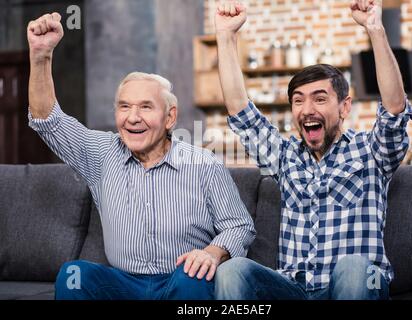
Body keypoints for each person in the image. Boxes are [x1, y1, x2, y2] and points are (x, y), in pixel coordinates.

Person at [26, 12, 255, 300]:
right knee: (74, 275)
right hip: (121, 282)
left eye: (146, 107)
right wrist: (41, 55)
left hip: (180, 278)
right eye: (124, 107)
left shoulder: (202, 163)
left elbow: (239, 225)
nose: (133, 117)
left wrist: (211, 252)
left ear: (170, 117)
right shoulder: (101, 153)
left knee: (193, 278)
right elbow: (49, 121)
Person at [214, 0, 412, 300]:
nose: (307, 109)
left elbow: (394, 110)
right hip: (294, 289)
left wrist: (375, 28)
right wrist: (225, 36)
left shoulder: (371, 152)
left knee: (353, 268)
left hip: (359, 282)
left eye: (320, 98)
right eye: (298, 100)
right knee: (232, 270)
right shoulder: (284, 157)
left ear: (344, 106)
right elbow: (240, 111)